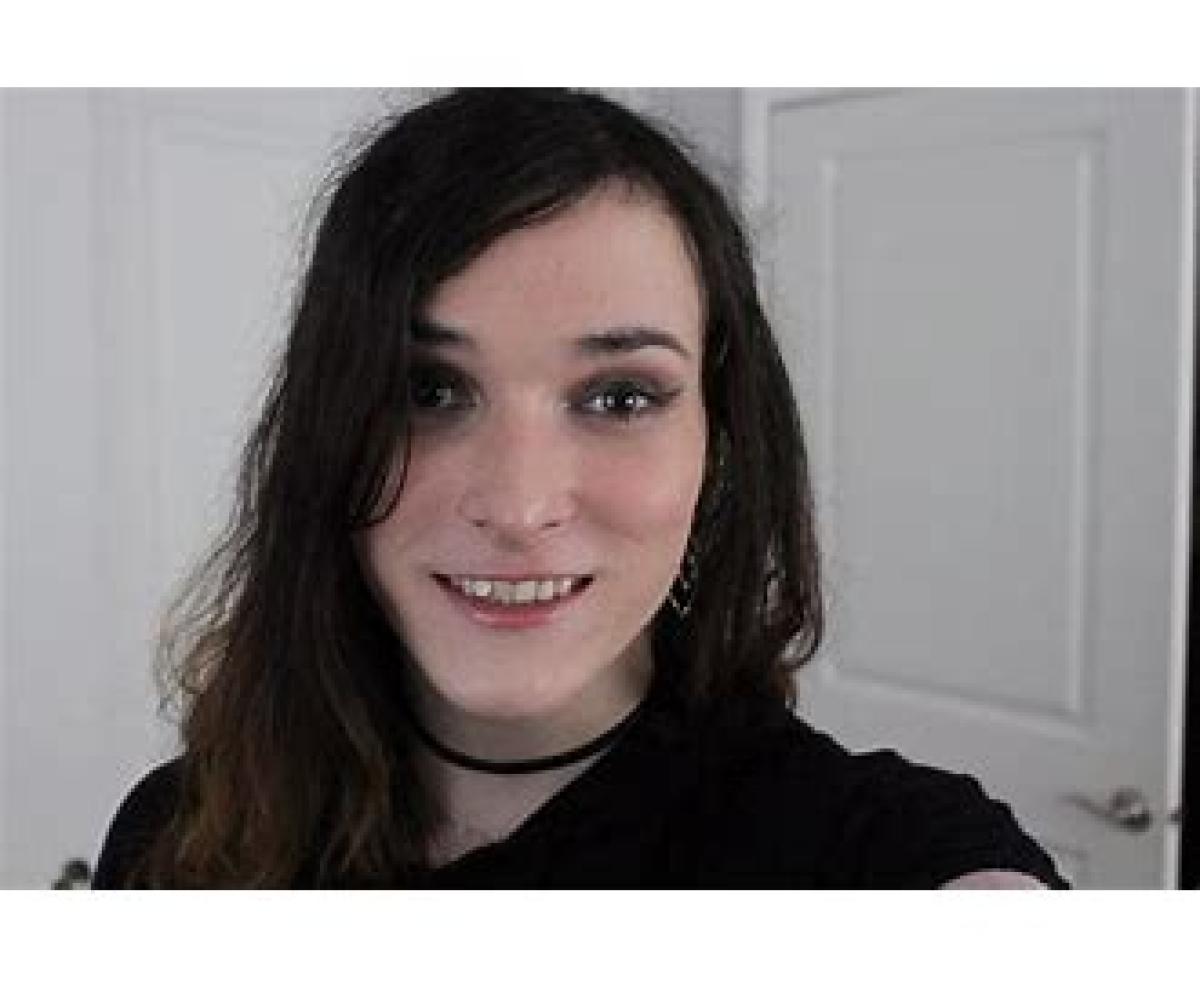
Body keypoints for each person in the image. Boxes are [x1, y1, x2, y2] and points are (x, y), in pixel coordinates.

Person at [93, 88, 1065, 889]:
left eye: (620, 397)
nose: (521, 507)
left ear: (721, 444)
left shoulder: (874, 856)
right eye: (427, 390)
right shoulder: (174, 841)